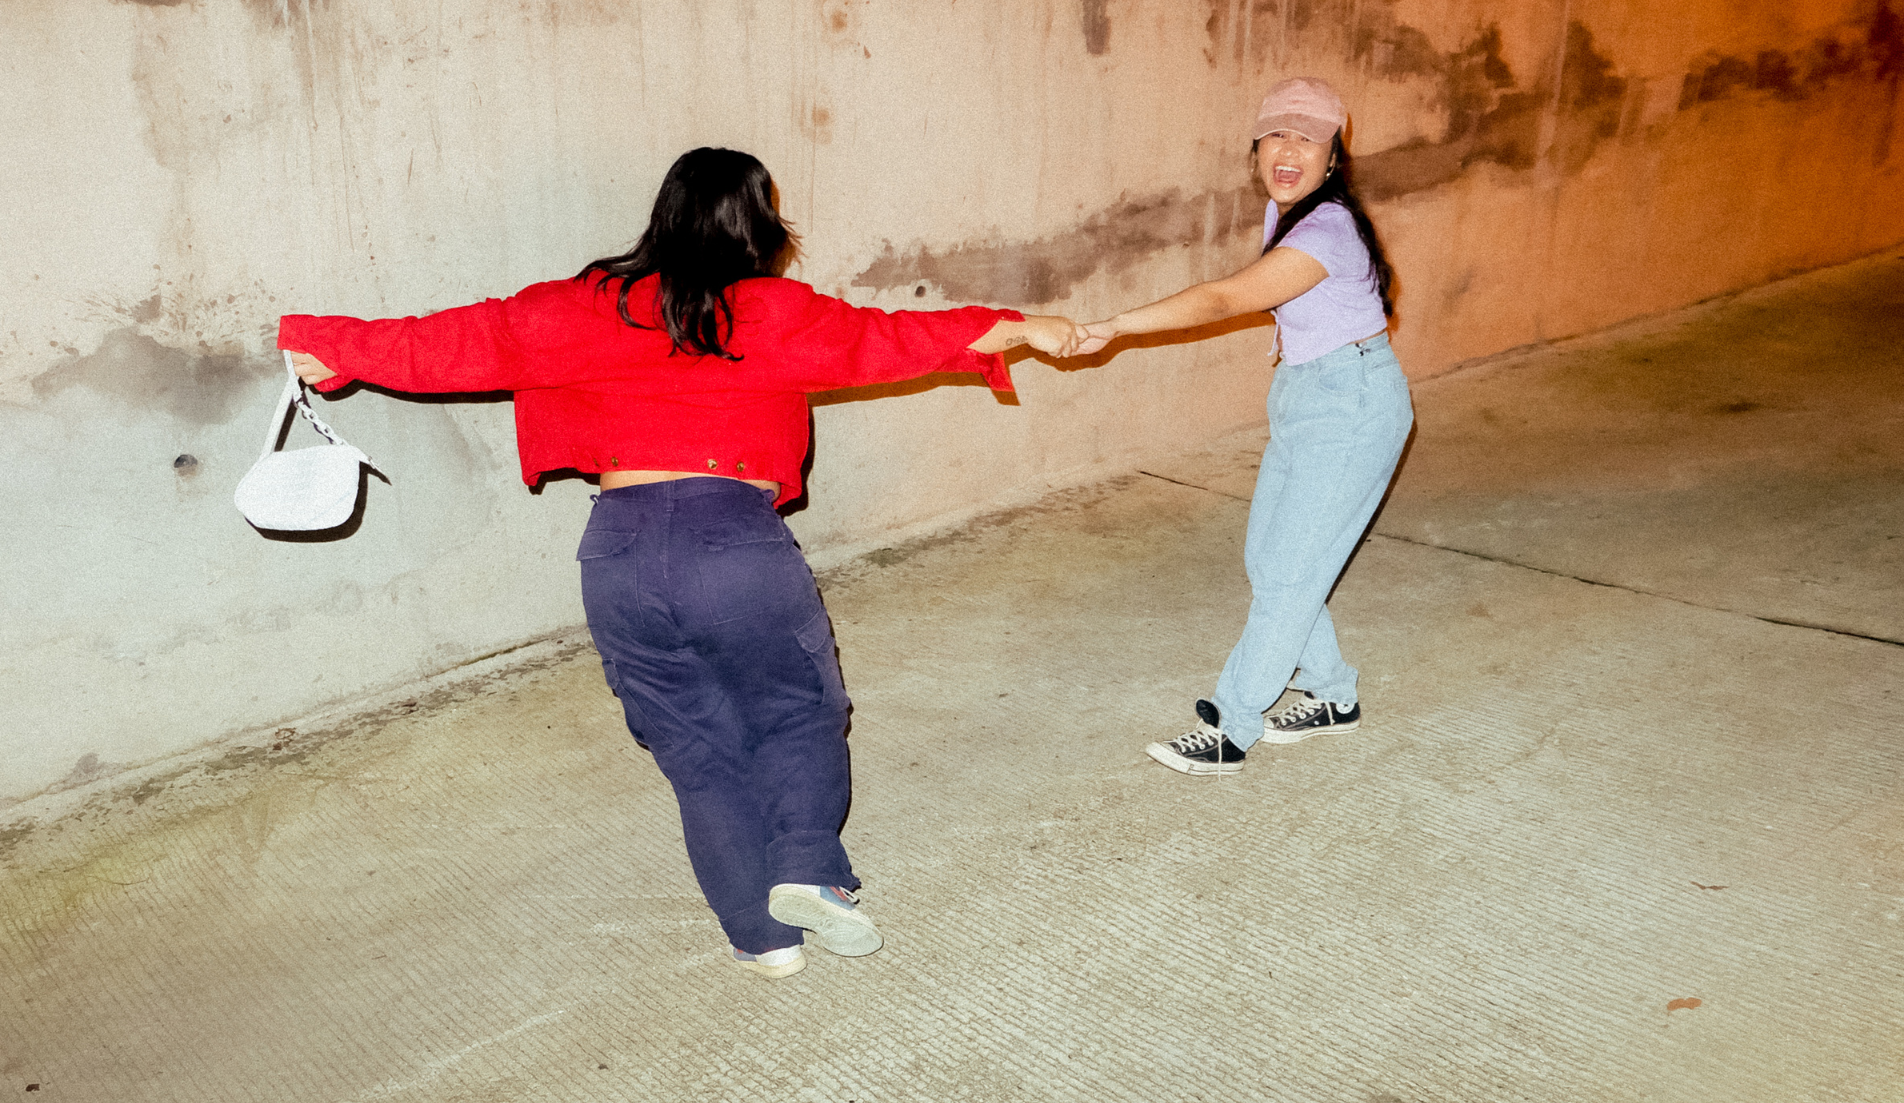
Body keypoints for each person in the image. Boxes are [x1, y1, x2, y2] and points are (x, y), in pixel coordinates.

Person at [279, 147, 1084, 977]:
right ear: (760, 228)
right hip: (731, 539)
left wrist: (332, 347)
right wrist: (1028, 326)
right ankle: (806, 867)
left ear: (663, 215)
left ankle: (762, 940)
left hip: (617, 550)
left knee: (697, 751)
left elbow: (455, 341)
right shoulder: (775, 311)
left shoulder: (582, 305)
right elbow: (897, 338)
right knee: (798, 709)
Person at [1074, 77, 1413, 775]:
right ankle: (1332, 695)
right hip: (1308, 396)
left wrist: (1115, 326)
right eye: (1275, 135)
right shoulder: (1283, 212)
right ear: (1256, 146)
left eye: (1307, 138)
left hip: (1350, 403)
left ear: (1332, 156)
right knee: (1271, 561)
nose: (1287, 151)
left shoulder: (1325, 229)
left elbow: (1226, 296)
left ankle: (1234, 725)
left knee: (1289, 573)